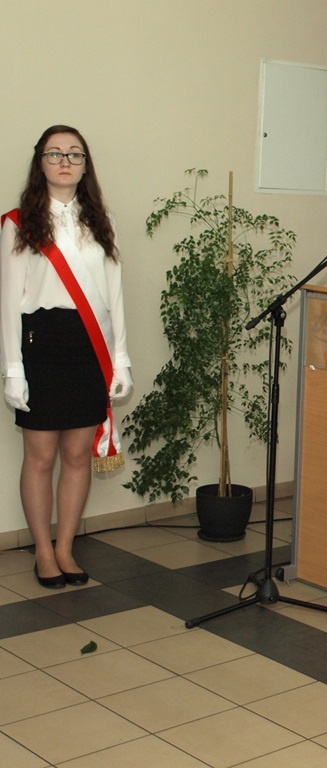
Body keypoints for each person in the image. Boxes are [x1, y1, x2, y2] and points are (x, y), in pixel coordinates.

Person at [1, 125, 132, 589]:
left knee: (77, 454)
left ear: (84, 165)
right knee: (40, 457)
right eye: (54, 153)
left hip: (89, 345)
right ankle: (42, 550)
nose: (64, 161)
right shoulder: (19, 223)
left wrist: (121, 358)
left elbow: (114, 294)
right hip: (40, 344)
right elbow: (8, 302)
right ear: (40, 162)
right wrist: (12, 370)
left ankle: (65, 548)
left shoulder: (99, 220)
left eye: (74, 154)